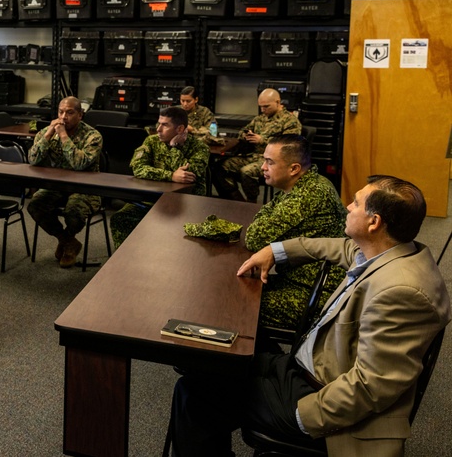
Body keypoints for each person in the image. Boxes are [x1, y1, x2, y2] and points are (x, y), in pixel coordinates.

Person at [170, 175, 451, 457]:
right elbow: (339, 247)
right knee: (215, 359)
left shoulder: (401, 291)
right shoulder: (387, 250)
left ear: (373, 222)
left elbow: (371, 387)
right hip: (308, 368)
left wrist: (304, 417)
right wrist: (275, 251)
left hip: (318, 398)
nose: (348, 207)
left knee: (193, 396)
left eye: (355, 202)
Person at [245, 134, 347, 331]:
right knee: (241, 286)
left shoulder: (309, 194)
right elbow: (264, 216)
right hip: (299, 279)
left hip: (316, 294)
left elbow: (254, 237)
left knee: (239, 300)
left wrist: (264, 221)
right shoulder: (307, 183)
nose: (262, 167)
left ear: (294, 169)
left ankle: (261, 360)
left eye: (270, 162)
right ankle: (261, 356)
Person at [109, 106, 208, 248]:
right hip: (151, 201)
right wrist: (170, 176)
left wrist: (175, 147)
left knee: (175, 234)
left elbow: (189, 176)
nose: (159, 129)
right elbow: (138, 168)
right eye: (159, 123)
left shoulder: (199, 148)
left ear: (180, 129)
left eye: (165, 125)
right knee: (120, 219)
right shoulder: (151, 141)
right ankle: (128, 261)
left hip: (187, 204)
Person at [26, 97, 102, 268]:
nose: (63, 116)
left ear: (80, 115)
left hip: (86, 188)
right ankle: (68, 241)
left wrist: (63, 135)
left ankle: (66, 242)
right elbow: (32, 160)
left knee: (73, 211)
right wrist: (47, 135)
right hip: (56, 186)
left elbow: (79, 164)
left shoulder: (93, 136)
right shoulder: (48, 131)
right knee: (35, 205)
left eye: (70, 112)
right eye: (60, 112)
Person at [212, 88, 301, 202]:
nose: (263, 110)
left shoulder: (290, 121)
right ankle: (236, 200)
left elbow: (289, 145)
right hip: (253, 156)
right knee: (219, 167)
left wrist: (262, 140)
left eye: (266, 106)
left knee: (246, 172)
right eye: (261, 106)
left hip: (272, 160)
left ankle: (251, 203)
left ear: (278, 102)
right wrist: (246, 135)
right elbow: (243, 131)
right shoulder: (260, 119)